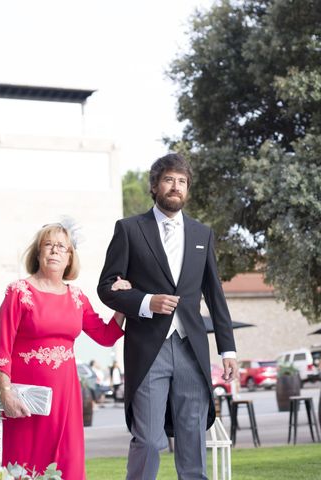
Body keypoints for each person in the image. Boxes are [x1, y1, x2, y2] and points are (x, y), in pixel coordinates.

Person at [97, 152, 238, 479]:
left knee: (192, 437)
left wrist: (228, 350)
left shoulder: (203, 234)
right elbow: (107, 287)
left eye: (182, 181)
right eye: (169, 180)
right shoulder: (129, 230)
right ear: (155, 186)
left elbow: (215, 296)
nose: (176, 187)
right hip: (148, 349)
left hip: (192, 349)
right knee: (147, 439)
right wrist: (146, 302)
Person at [0, 222, 129, 480]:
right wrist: (6, 394)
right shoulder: (18, 292)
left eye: (61, 247)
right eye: (48, 245)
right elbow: (2, 347)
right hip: (25, 400)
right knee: (23, 464)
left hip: (66, 398)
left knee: (67, 463)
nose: (54, 251)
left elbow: (106, 335)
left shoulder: (76, 297)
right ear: (38, 253)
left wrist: (122, 304)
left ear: (69, 258)